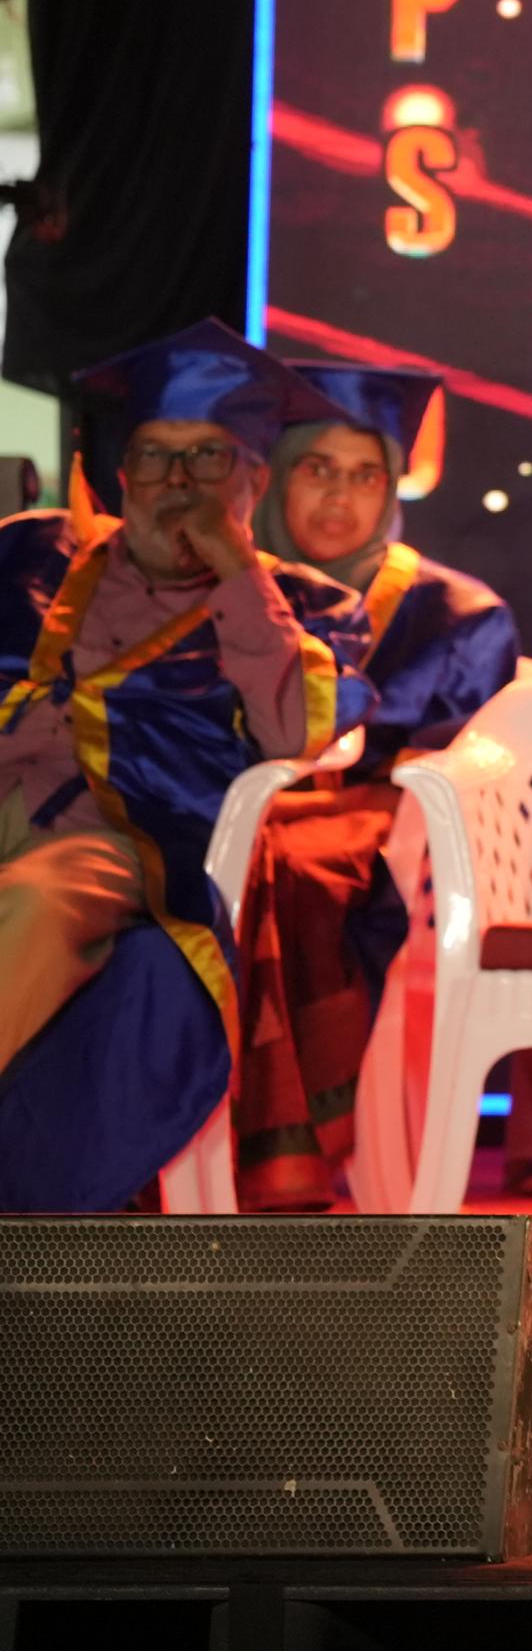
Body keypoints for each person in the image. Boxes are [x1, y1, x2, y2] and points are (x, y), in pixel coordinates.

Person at [0, 324, 374, 1207]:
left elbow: (299, 730)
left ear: (255, 479)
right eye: (154, 456)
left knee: (37, 900)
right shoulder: (25, 553)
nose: (177, 482)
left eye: (208, 457)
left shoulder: (309, 604)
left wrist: (236, 565)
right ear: (122, 473)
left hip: (122, 837)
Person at [228, 360, 522, 1209]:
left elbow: (474, 774)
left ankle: (292, 1140)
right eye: (317, 468)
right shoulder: (228, 596)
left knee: (293, 869)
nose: (339, 496)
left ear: (393, 486)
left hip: (403, 854)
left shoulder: (460, 613)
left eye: (365, 475)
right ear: (276, 476)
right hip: (243, 825)